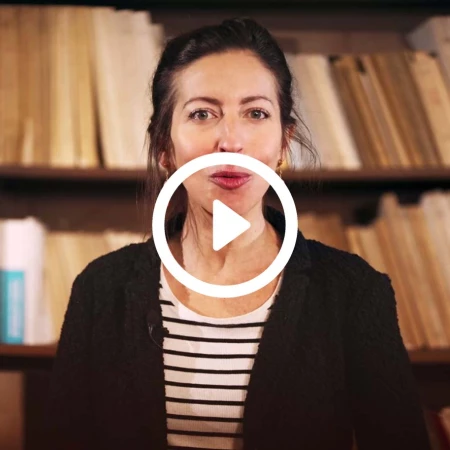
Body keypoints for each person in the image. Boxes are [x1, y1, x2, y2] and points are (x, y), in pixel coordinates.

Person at [45, 17, 431, 450]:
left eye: (256, 113)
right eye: (202, 114)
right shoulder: (101, 289)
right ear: (164, 148)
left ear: (283, 143)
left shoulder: (354, 292)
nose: (231, 141)